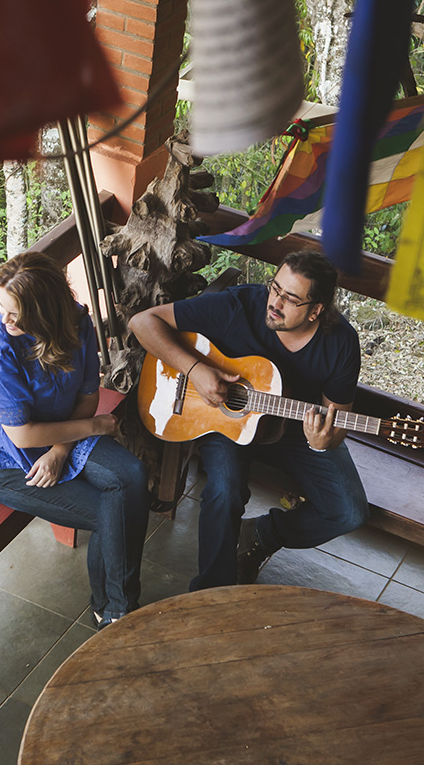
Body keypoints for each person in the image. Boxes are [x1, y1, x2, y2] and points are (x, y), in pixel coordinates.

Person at [130, 250, 368, 590]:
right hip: (224, 416)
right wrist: (195, 370)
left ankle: (261, 534)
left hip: (292, 425)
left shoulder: (342, 343)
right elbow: (142, 322)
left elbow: (336, 421)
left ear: (316, 310)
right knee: (225, 492)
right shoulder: (237, 307)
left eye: (291, 299)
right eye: (275, 288)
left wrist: (322, 441)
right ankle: (212, 596)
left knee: (349, 512)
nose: (275, 302)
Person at [0, 252, 149, 628]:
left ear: (45, 311)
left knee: (132, 475)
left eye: (15, 312)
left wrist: (61, 450)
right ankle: (119, 613)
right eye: (2, 308)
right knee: (116, 515)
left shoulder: (76, 320)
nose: (5, 319)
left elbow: (88, 395)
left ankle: (115, 611)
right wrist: (93, 428)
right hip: (1, 456)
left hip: (61, 432)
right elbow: (23, 435)